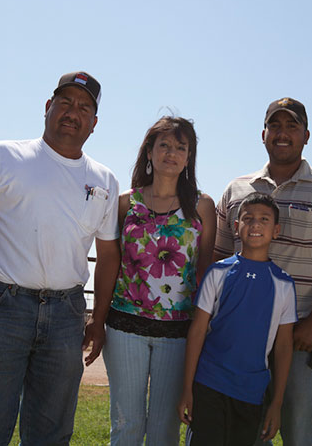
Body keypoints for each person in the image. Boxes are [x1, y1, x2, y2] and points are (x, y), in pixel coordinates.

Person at [0, 71, 121, 445]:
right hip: (2, 305)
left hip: (67, 314)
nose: (73, 112)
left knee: (51, 434)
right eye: (65, 102)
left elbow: (107, 257)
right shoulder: (3, 156)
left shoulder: (104, 180)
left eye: (84, 107)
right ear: (47, 107)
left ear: (94, 123)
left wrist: (98, 320)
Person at [214, 98, 312, 446]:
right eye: (275, 125)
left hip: (300, 336)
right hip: (242, 338)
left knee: (302, 432)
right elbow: (219, 256)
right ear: (263, 133)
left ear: (307, 135)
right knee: (245, 433)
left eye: (292, 126)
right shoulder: (237, 190)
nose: (283, 133)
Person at [101, 116, 216, 446]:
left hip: (179, 333)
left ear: (189, 157)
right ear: (148, 152)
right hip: (125, 328)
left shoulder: (202, 207)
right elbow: (111, 262)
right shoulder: (125, 203)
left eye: (181, 147)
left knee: (166, 428)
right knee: (126, 424)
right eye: (164, 145)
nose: (172, 153)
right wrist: (98, 319)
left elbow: (205, 268)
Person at [178, 193, 296, 446]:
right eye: (248, 218)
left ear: (276, 230)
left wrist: (276, 403)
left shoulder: (284, 284)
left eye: (264, 219)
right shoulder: (218, 272)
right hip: (209, 384)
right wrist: (187, 387)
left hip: (251, 391)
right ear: (235, 227)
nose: (255, 224)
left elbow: (284, 346)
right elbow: (197, 331)